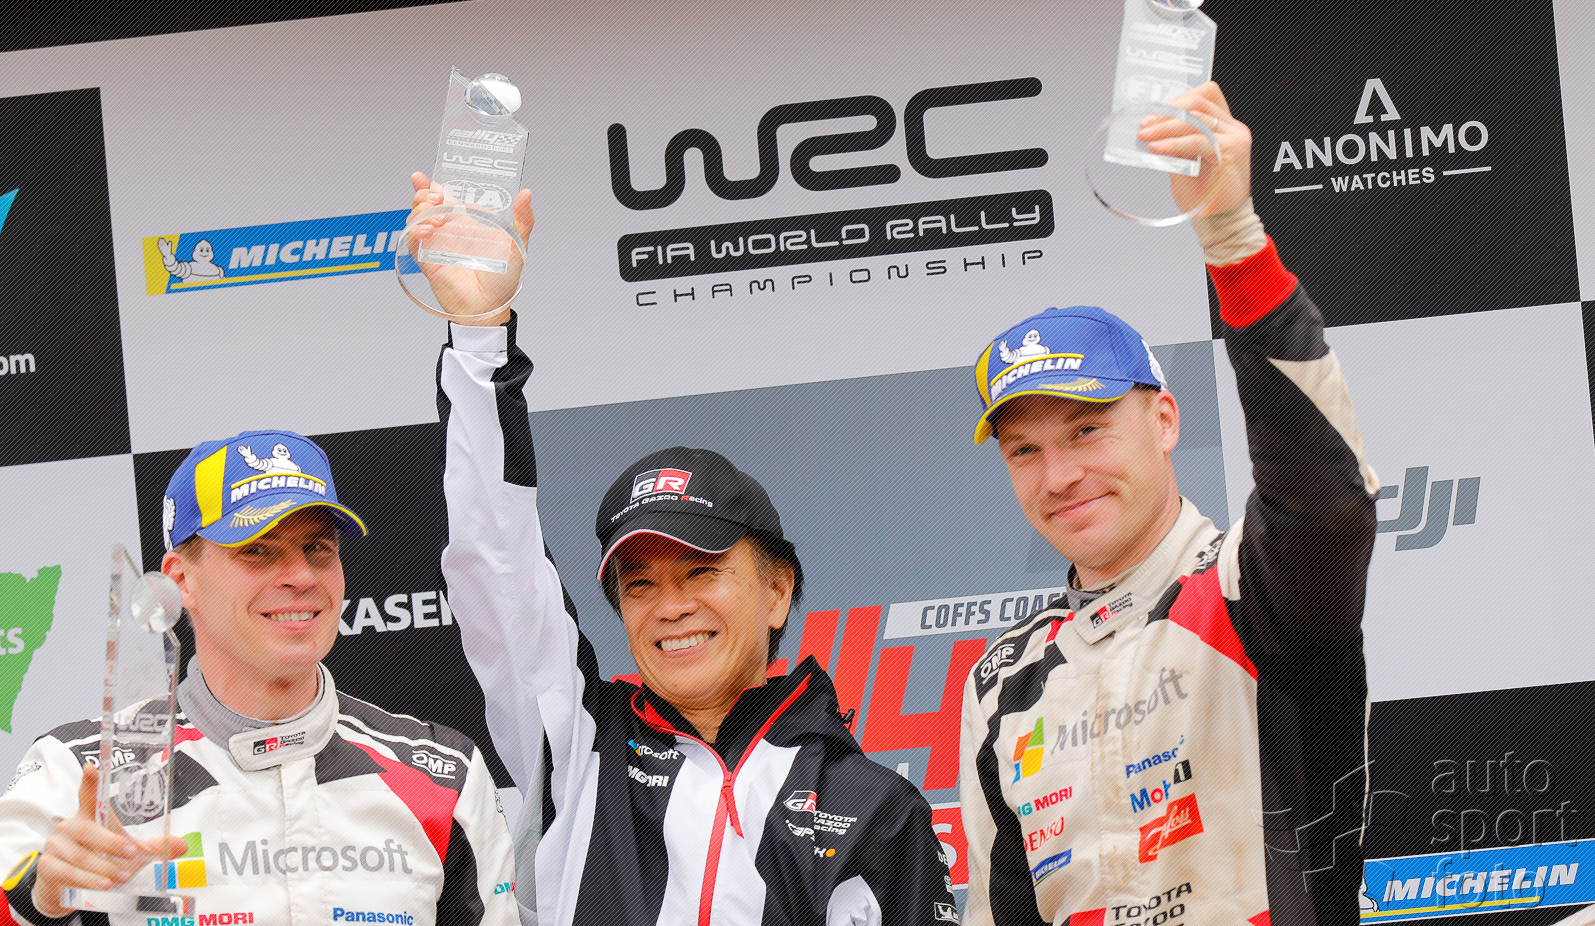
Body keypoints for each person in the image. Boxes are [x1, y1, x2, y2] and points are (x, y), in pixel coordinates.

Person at [409, 172, 955, 926]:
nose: (670, 606)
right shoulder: (579, 746)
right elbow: (494, 557)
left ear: (777, 589)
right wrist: (478, 337)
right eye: (639, 584)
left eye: (702, 572)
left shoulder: (874, 809)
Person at [958, 83, 1380, 926]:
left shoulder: (1250, 592)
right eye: (1024, 450)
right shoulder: (1001, 680)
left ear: (1163, 421)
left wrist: (1230, 235)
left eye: (1085, 430)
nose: (1058, 475)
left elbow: (1327, 502)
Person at [0, 431, 517, 926]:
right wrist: (38, 894)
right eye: (258, 550)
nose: (302, 576)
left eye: (318, 548)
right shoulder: (79, 771)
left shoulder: (443, 776)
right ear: (181, 580)